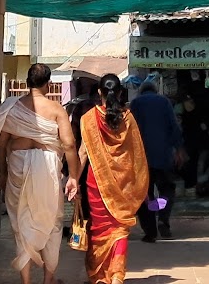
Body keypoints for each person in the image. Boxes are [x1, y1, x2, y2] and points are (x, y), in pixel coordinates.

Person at [0, 65, 80, 284]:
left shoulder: (11, 107)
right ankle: (48, 280)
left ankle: (26, 281)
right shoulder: (56, 109)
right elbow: (69, 144)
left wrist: (3, 172)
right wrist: (73, 176)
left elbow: (1, 145)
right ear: (48, 83)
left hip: (18, 165)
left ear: (27, 82)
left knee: (21, 223)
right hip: (46, 167)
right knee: (53, 222)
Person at [77, 74, 151, 284]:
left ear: (99, 92)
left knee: (99, 229)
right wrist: (140, 182)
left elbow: (83, 153)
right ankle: (117, 276)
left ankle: (100, 276)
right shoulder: (128, 118)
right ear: (120, 93)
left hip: (96, 182)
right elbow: (136, 154)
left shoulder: (89, 119)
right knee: (119, 228)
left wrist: (73, 178)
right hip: (124, 182)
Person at [128, 81, 183, 241]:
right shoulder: (164, 102)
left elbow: (130, 130)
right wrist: (178, 148)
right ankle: (163, 219)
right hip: (163, 155)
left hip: (142, 158)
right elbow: (174, 127)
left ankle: (150, 231)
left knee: (145, 194)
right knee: (166, 190)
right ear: (155, 90)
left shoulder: (136, 103)